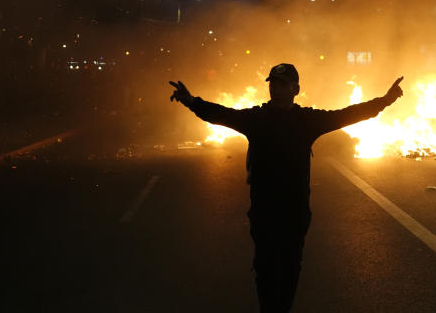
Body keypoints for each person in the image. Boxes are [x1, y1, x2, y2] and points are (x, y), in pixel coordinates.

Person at [169, 63, 404, 313]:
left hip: (295, 213)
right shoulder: (257, 119)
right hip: (264, 212)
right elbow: (223, 115)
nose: (275, 89)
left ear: (296, 89)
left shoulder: (306, 120)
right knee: (266, 271)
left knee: (291, 269)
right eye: (273, 84)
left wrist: (385, 101)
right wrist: (191, 101)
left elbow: (346, 114)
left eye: (282, 84)